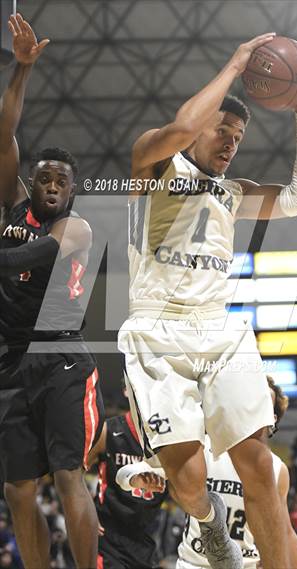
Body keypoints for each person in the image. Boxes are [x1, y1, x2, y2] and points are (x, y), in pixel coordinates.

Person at [118, 31, 297, 569]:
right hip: (158, 330)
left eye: (238, 136)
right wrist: (235, 66)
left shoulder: (233, 191)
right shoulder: (154, 162)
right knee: (188, 484)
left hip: (218, 329)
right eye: (223, 130)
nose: (231, 142)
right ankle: (211, 531)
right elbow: (182, 127)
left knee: (261, 473)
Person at [0, 14, 104, 569]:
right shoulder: (14, 204)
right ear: (33, 180)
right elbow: (4, 134)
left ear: (72, 191)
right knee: (18, 489)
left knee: (68, 477)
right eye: (46, 177)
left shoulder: (76, 229)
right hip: (13, 362)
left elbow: (27, 257)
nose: (53, 186)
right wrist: (21, 70)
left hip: (62, 356)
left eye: (63, 181)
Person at [117, 377, 297, 569]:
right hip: (194, 565)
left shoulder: (277, 469)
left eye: (263, 400)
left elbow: (285, 532)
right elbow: (126, 473)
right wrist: (134, 479)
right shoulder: (202, 447)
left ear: (272, 419)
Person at [87, 404, 167, 569]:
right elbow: (74, 472)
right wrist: (86, 512)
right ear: (127, 390)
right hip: (108, 535)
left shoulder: (167, 438)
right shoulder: (108, 429)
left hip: (144, 540)